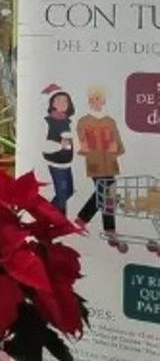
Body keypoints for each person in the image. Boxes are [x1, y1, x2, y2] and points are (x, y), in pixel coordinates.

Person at [75, 86, 126, 250]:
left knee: (107, 193)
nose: (96, 101)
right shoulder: (84, 121)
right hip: (96, 161)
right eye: (93, 98)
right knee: (104, 191)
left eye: (99, 98)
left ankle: (109, 229)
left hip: (109, 161)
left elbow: (117, 141)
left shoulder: (110, 121)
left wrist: (115, 148)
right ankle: (81, 220)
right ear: (89, 100)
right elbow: (83, 142)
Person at [41, 89, 76, 215]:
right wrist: (59, 145)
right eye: (58, 100)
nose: (62, 103)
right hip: (55, 163)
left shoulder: (67, 121)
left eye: (65, 101)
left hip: (66, 163)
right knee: (62, 196)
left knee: (69, 191)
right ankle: (61, 223)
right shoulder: (48, 121)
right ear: (52, 104)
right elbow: (42, 143)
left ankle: (44, 213)